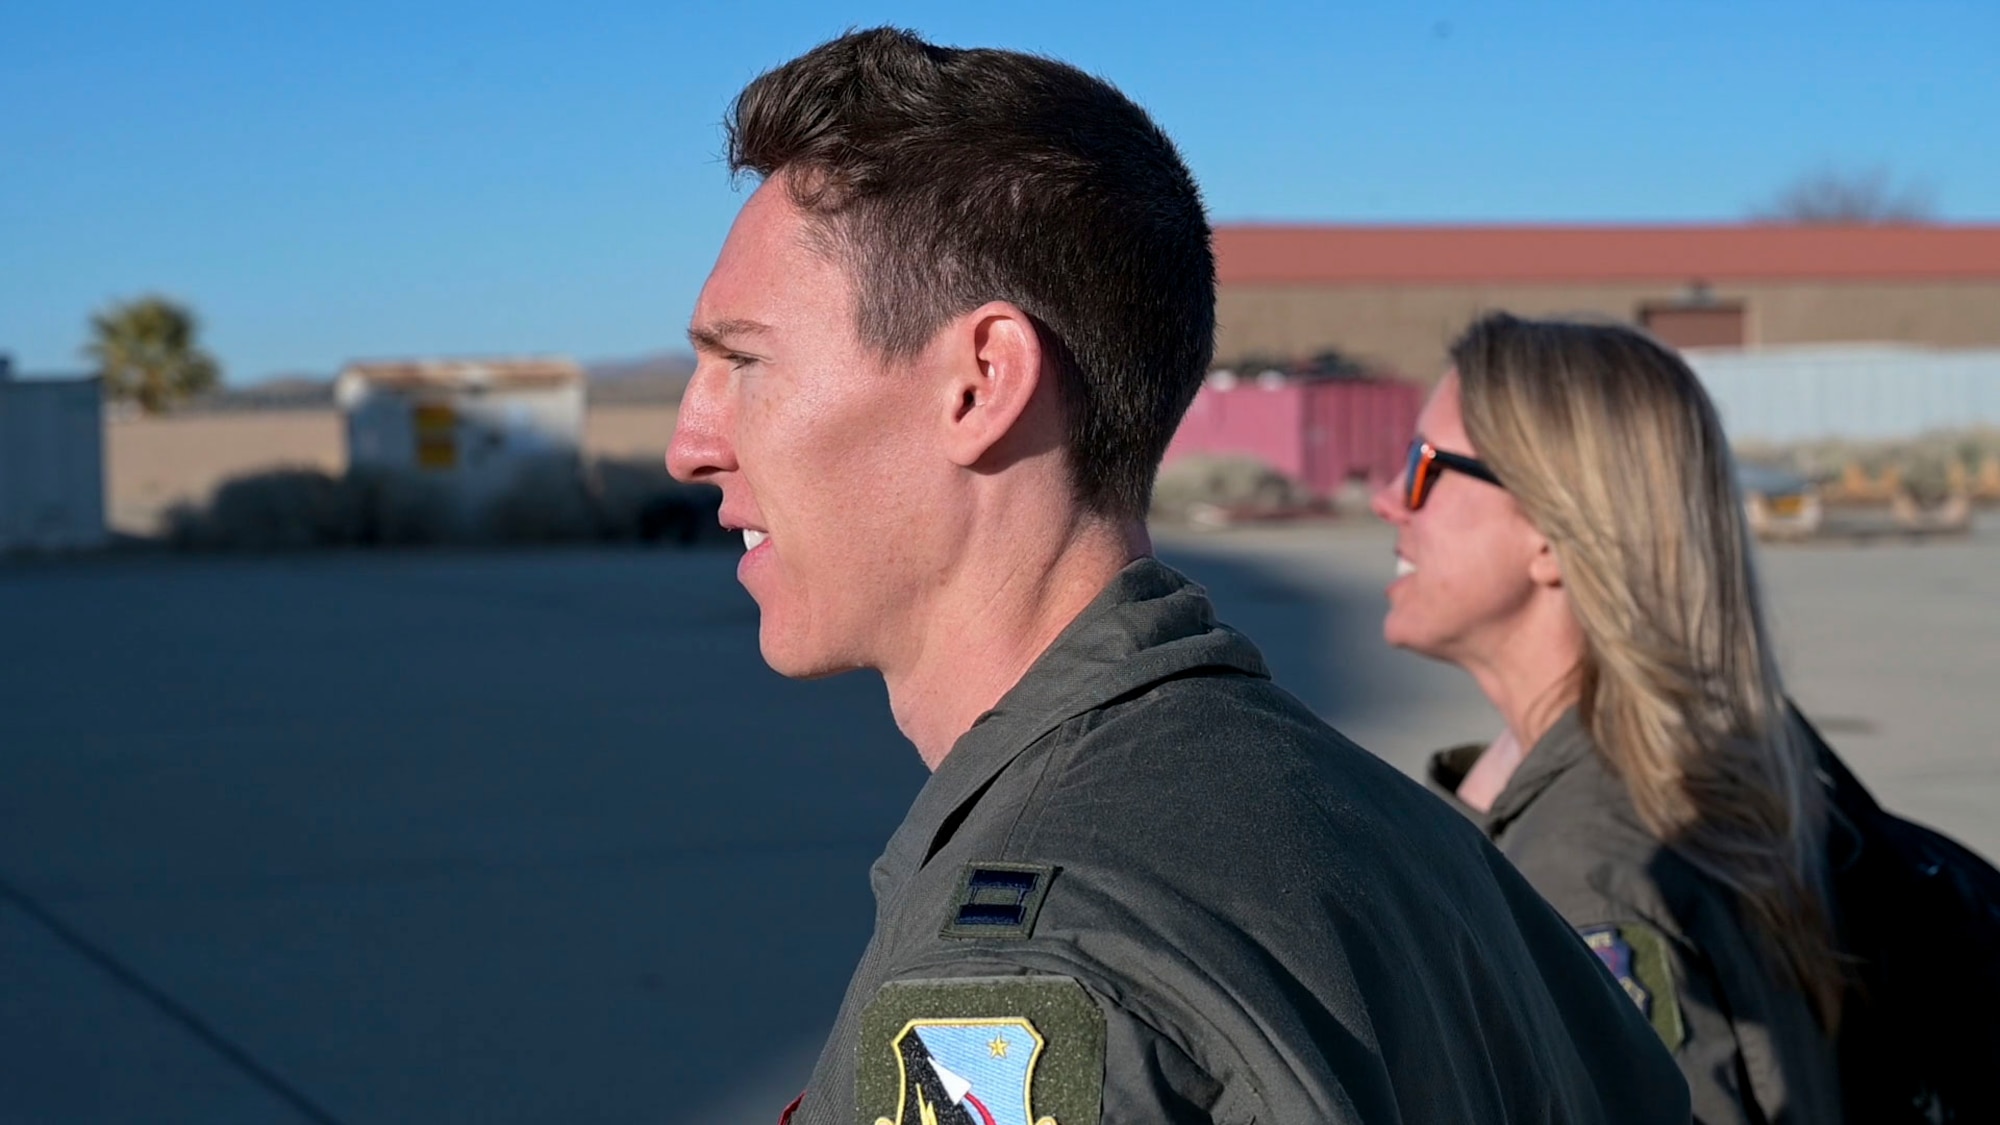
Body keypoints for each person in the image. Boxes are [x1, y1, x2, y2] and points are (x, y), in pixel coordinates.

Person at [669, 30, 1688, 1125]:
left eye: (745, 363)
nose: (689, 441)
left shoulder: (1018, 979)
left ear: (979, 383)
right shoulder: (1409, 844)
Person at [1373, 312, 1846, 1123]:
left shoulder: (1590, 870)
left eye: (1424, 467)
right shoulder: (1611, 788)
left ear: (1552, 536)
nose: (1389, 500)